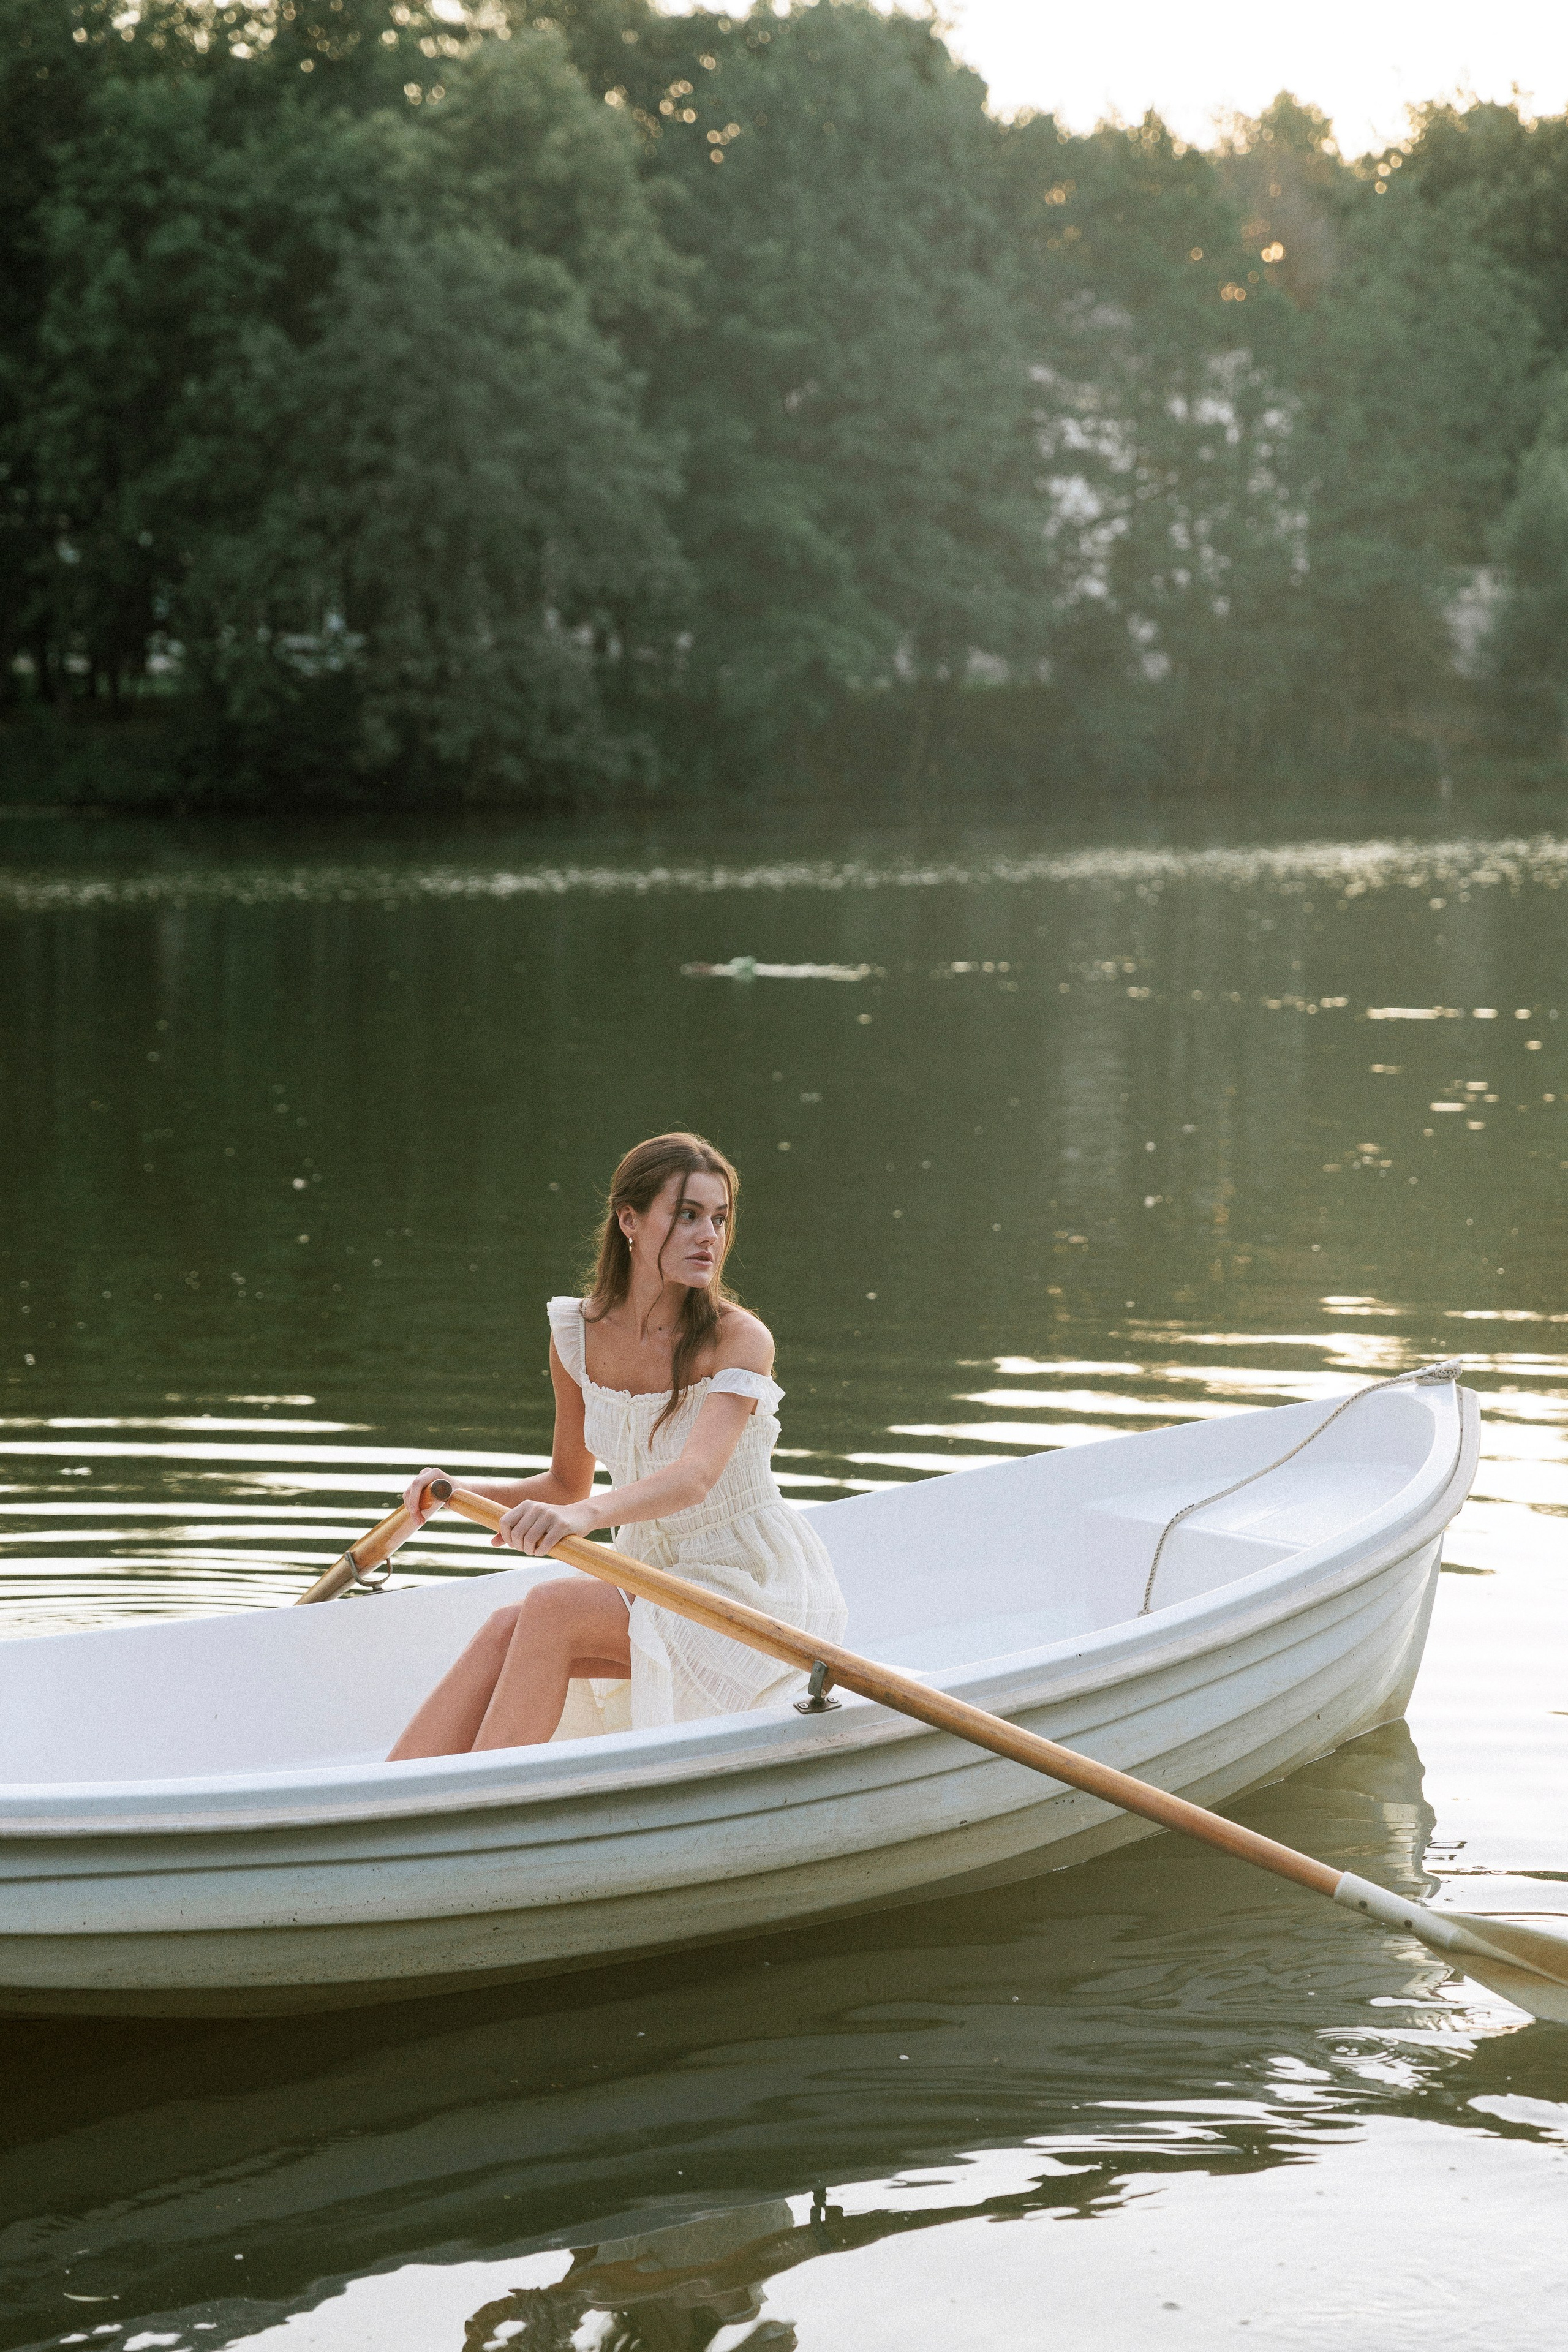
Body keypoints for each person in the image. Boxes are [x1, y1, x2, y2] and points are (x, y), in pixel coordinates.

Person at [387, 1131, 848, 1759]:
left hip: (749, 1588)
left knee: (551, 1608)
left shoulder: (740, 1341)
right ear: (628, 1221)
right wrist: (455, 1495)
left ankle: (468, 1814)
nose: (708, 1235)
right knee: (505, 1626)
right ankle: (390, 1796)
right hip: (650, 1576)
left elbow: (693, 1479)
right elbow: (565, 1486)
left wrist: (582, 1518)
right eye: (685, 1215)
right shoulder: (575, 1334)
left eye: (718, 1218)